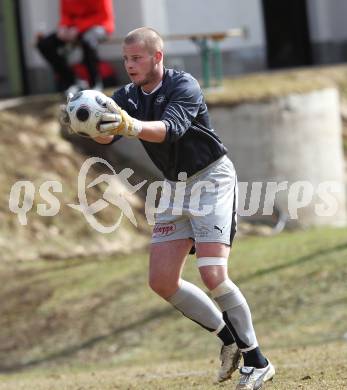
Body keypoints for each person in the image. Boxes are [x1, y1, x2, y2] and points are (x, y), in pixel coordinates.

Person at [63, 27, 275, 389]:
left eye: (137, 58)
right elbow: (108, 134)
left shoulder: (184, 86)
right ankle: (229, 340)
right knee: (161, 281)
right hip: (175, 187)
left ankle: (257, 361)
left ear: (157, 57)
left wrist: (129, 125)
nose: (129, 65)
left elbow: (170, 129)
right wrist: (89, 123)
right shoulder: (127, 95)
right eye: (126, 59)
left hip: (211, 179)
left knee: (212, 274)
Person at [37, 0, 114, 95]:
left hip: (99, 26)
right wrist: (63, 27)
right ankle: (73, 82)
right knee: (44, 45)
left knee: (88, 39)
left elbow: (102, 16)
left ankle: (95, 83)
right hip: (73, 28)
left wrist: (79, 28)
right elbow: (65, 14)